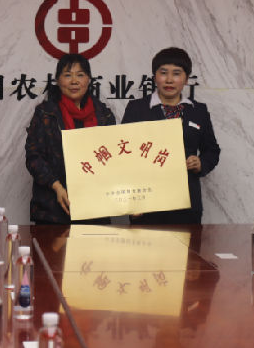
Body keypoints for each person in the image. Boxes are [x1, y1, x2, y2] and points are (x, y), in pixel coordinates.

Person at [121, 47, 221, 224]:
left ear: (186, 79)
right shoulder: (137, 108)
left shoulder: (198, 111)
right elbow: (123, 154)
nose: (169, 80)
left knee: (188, 243)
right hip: (146, 204)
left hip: (187, 204)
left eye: (176, 73)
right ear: (155, 77)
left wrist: (200, 163)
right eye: (163, 73)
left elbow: (212, 150)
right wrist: (132, 201)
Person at [26, 53, 116, 224]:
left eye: (80, 75)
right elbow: (33, 157)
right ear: (58, 80)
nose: (74, 81)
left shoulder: (104, 115)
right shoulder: (45, 113)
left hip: (95, 208)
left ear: (88, 79)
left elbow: (114, 158)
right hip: (53, 210)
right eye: (68, 75)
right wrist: (57, 186)